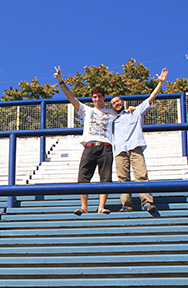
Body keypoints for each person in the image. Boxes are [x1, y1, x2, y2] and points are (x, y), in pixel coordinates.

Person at [54, 65, 117, 214]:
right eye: (94, 97)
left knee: (105, 178)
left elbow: (126, 112)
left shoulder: (112, 112)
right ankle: (84, 207)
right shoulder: (86, 110)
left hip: (106, 146)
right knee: (83, 176)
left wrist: (131, 108)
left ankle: (101, 207)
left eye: (99, 96)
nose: (97, 99)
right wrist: (60, 81)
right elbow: (70, 97)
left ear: (104, 97)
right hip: (89, 146)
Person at [111, 68, 168, 212]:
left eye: (118, 101)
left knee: (141, 175)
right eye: (113, 103)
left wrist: (160, 83)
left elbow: (151, 98)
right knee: (122, 178)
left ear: (123, 102)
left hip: (135, 146)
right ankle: (126, 205)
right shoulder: (112, 119)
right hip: (120, 151)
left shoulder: (135, 111)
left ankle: (147, 202)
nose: (116, 104)